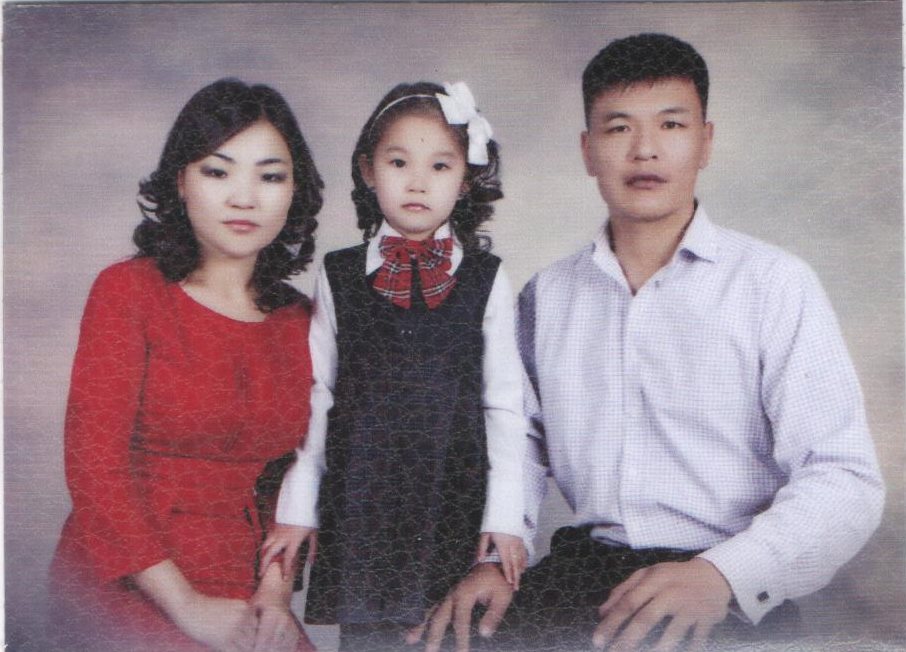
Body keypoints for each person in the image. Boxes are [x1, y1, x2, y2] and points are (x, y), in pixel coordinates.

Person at [420, 33, 886, 652]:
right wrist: (496, 558)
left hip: (721, 580)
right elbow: (518, 444)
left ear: (705, 142)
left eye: (671, 124)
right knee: (437, 639)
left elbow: (844, 478)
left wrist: (722, 576)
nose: (645, 149)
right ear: (588, 151)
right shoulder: (547, 295)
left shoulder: (774, 285)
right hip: (582, 573)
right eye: (619, 128)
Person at [49, 78, 324, 652]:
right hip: (133, 572)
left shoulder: (304, 320)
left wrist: (275, 594)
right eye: (218, 172)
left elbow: (296, 476)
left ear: (295, 192)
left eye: (270, 176)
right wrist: (187, 606)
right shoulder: (128, 291)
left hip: (245, 576)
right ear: (180, 181)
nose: (244, 198)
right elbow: (95, 466)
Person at [260, 81, 527, 651]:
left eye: (440, 166)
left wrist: (504, 516)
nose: (417, 182)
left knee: (449, 636)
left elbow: (504, 404)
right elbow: (319, 396)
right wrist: (298, 508)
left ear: (467, 178)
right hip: (363, 498)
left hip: (452, 495)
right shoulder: (337, 274)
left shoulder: (487, 278)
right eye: (398, 162)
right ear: (367, 170)